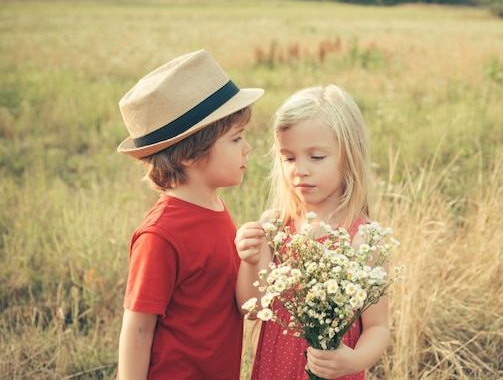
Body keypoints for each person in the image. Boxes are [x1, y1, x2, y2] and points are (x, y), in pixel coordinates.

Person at [116, 49, 264, 380]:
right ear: (190, 154)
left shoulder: (215, 207)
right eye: (236, 138)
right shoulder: (161, 235)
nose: (247, 147)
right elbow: (138, 328)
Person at [235, 85, 390, 380]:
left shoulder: (364, 238)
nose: (300, 170)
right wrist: (250, 260)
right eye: (289, 158)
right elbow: (252, 308)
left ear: (349, 157)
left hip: (333, 371)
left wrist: (353, 360)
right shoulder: (276, 227)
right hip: (274, 368)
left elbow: (378, 327)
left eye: (316, 157)